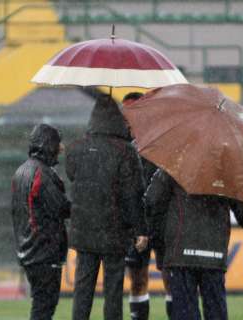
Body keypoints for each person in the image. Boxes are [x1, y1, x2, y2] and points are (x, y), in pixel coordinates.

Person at [145, 169, 243, 320]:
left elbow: (152, 200)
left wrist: (155, 234)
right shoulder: (229, 171)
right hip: (213, 254)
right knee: (216, 313)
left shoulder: (176, 165)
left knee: (184, 314)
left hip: (181, 253)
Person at [66, 94, 148, 320]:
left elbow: (72, 174)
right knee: (113, 291)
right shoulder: (126, 151)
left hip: (84, 231)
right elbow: (134, 194)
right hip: (114, 231)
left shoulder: (77, 148)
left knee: (82, 290)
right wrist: (140, 228)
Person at [10, 123, 71, 320]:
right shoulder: (42, 173)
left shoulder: (21, 171)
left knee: (41, 305)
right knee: (44, 308)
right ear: (48, 145)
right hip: (44, 250)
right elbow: (60, 208)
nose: (60, 148)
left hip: (28, 248)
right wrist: (86, 208)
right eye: (57, 143)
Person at [122, 92, 172, 320]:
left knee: (170, 277)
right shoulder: (121, 146)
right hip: (135, 223)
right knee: (138, 279)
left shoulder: (161, 143)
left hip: (162, 222)